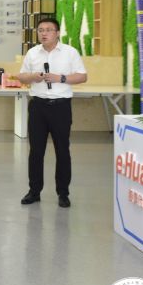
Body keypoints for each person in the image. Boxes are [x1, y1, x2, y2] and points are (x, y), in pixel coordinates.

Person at [17, 17, 88, 208]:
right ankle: (34, 191)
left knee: (62, 150)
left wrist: (60, 78)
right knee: (36, 152)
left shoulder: (70, 52)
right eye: (40, 30)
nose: (44, 33)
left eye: (48, 30)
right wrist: (33, 76)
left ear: (57, 33)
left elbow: (82, 76)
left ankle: (63, 193)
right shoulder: (32, 53)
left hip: (60, 107)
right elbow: (21, 76)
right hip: (38, 107)